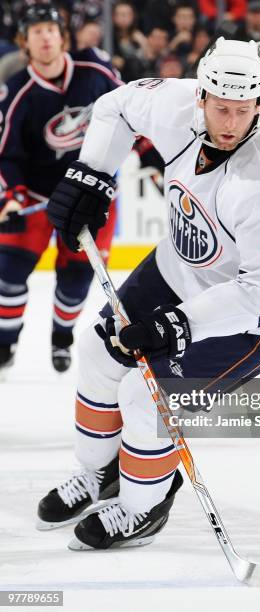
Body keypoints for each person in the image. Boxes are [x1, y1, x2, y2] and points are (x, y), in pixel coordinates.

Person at [37, 37, 260, 550]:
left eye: (243, 111)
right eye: (220, 108)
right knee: (98, 351)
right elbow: (114, 106)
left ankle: (142, 507)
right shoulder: (176, 103)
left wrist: (176, 325)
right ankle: (98, 472)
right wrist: (92, 174)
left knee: (147, 396)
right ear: (200, 96)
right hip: (188, 260)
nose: (229, 123)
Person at [0, 3, 121, 374]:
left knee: (76, 279)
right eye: (36, 31)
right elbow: (6, 154)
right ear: (25, 42)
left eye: (51, 29)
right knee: (7, 274)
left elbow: (134, 112)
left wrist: (150, 154)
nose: (46, 37)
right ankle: (6, 341)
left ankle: (62, 338)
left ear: (62, 35)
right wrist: (11, 197)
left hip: (91, 195)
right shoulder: (17, 90)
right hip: (36, 196)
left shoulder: (97, 71)